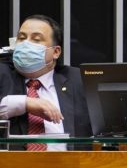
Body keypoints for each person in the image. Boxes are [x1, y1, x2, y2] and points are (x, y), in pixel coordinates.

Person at [0, 15, 92, 151]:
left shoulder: (79, 79)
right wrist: (25, 103)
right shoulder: (3, 73)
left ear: (55, 52)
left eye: (36, 39)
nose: (26, 44)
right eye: (21, 38)